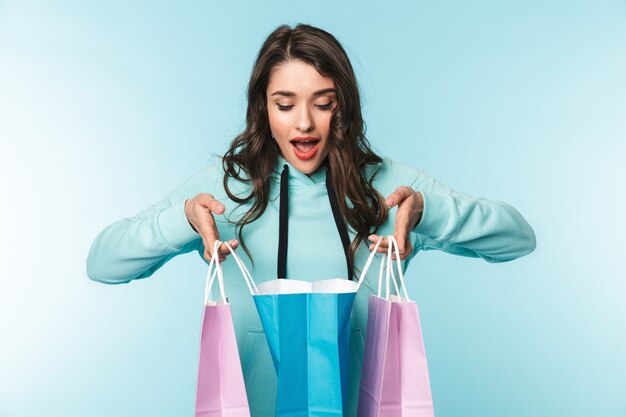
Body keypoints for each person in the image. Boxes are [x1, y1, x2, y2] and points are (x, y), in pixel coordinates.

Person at [86, 23, 536, 417]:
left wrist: (429, 212)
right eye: (285, 105)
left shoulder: (391, 189)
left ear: (343, 106)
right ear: (263, 108)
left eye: (323, 103)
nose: (304, 123)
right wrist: (180, 221)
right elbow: (102, 264)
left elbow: (518, 238)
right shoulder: (224, 193)